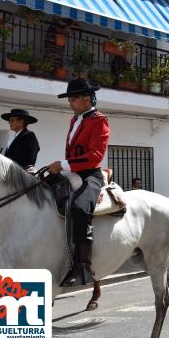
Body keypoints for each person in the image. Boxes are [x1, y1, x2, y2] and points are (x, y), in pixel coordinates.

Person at [48, 77, 109, 287]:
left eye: (73, 100)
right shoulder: (74, 120)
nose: (70, 104)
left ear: (85, 98)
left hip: (90, 174)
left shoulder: (99, 120)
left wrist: (63, 165)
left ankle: (82, 266)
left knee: (80, 207)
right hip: (70, 171)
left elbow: (94, 157)